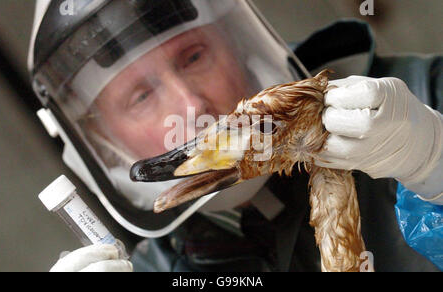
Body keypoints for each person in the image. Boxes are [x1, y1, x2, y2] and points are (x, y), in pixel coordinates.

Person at [29, 0, 442, 272]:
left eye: (194, 57)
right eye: (141, 96)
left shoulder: (422, 94)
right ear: (107, 147)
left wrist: (433, 165)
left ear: (241, 47)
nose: (192, 105)